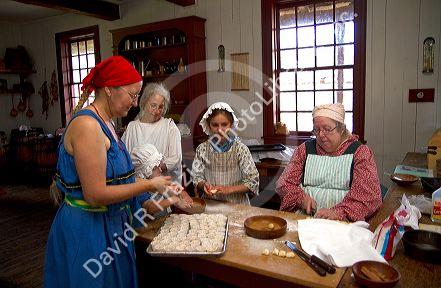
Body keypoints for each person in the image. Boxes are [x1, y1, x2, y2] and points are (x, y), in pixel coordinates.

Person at [44, 56, 171, 288]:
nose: (135, 103)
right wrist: (148, 185)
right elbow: (94, 194)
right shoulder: (87, 126)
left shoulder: (109, 124)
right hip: (88, 231)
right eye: (133, 95)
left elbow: (121, 178)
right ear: (110, 89)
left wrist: (158, 200)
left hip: (112, 225)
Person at [276, 103, 382, 222]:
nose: (321, 135)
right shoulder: (304, 150)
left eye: (327, 129)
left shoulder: (359, 153)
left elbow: (368, 197)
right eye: (316, 130)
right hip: (305, 218)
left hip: (343, 223)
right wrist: (300, 199)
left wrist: (338, 212)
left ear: (341, 129)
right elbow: (284, 184)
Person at [191, 102, 259, 205]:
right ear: (208, 126)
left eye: (224, 124)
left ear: (231, 125)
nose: (219, 129)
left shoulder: (240, 150)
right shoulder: (202, 149)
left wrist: (229, 189)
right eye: (215, 125)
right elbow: (196, 177)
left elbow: (252, 181)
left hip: (237, 204)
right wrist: (203, 184)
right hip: (210, 203)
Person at [122, 83, 182, 184]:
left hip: (163, 189)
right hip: (137, 188)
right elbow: (123, 158)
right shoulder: (132, 127)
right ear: (144, 103)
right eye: (153, 106)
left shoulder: (169, 126)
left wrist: (151, 171)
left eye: (161, 107)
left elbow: (175, 160)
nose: (157, 111)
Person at [130, 143, 192, 217]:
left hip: (162, 219)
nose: (160, 170)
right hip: (147, 226)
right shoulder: (139, 188)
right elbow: (149, 207)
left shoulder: (155, 178)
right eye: (154, 168)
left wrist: (182, 193)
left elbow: (170, 187)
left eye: (159, 165)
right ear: (144, 172)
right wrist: (173, 200)